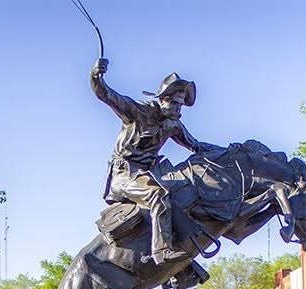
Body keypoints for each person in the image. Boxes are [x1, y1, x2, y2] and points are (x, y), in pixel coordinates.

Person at [91, 58, 215, 265]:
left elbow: (197, 146)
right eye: (175, 103)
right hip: (124, 175)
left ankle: (184, 267)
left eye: (181, 105)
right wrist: (96, 75)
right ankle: (161, 252)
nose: (179, 109)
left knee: (182, 194)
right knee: (157, 195)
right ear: (163, 99)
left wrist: (232, 151)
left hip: (147, 174)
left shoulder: (173, 125)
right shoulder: (138, 111)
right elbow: (106, 95)